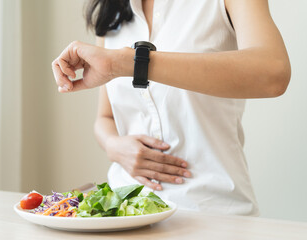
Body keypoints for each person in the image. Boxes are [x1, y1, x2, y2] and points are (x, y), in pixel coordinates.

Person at [51, 0, 290, 216]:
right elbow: (104, 118)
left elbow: (273, 73)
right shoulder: (112, 10)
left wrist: (129, 62)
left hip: (212, 213)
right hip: (123, 214)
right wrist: (114, 146)